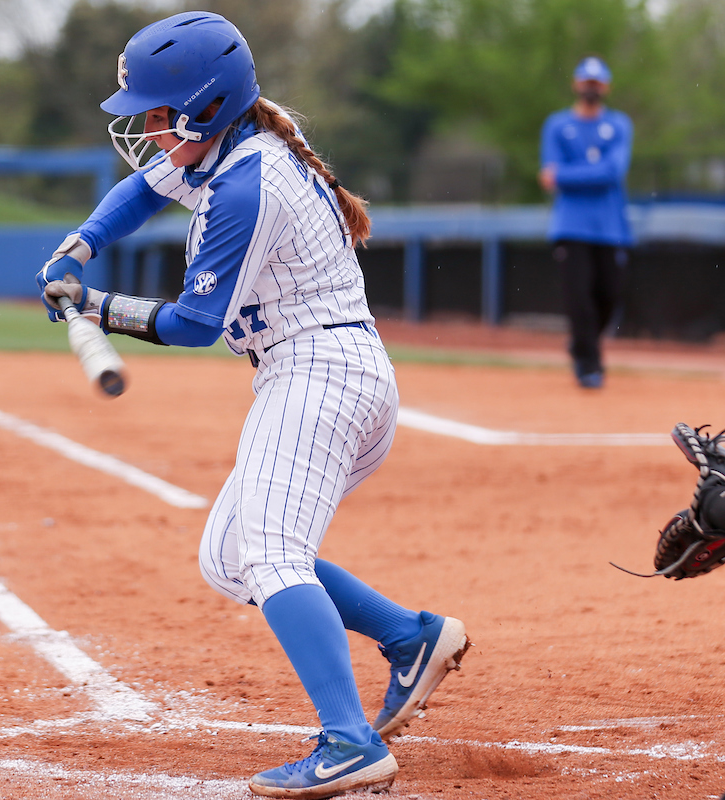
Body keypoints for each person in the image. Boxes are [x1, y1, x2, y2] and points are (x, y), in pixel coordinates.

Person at [35, 12, 470, 798]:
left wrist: (96, 306)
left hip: (322, 377)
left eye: (159, 115)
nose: (148, 130)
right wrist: (79, 245)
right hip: (313, 373)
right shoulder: (231, 142)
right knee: (231, 556)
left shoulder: (246, 183)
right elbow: (140, 191)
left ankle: (348, 741)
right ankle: (412, 638)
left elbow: (195, 324)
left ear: (205, 107)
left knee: (269, 551)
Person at [539, 55, 634, 389]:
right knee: (578, 296)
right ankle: (589, 364)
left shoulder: (619, 125)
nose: (591, 89)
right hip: (571, 225)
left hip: (611, 227)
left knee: (609, 293)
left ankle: (582, 343)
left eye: (597, 83)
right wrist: (583, 173)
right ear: (577, 84)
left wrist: (567, 174)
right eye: (586, 82)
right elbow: (549, 176)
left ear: (604, 87)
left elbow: (613, 171)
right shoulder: (557, 124)